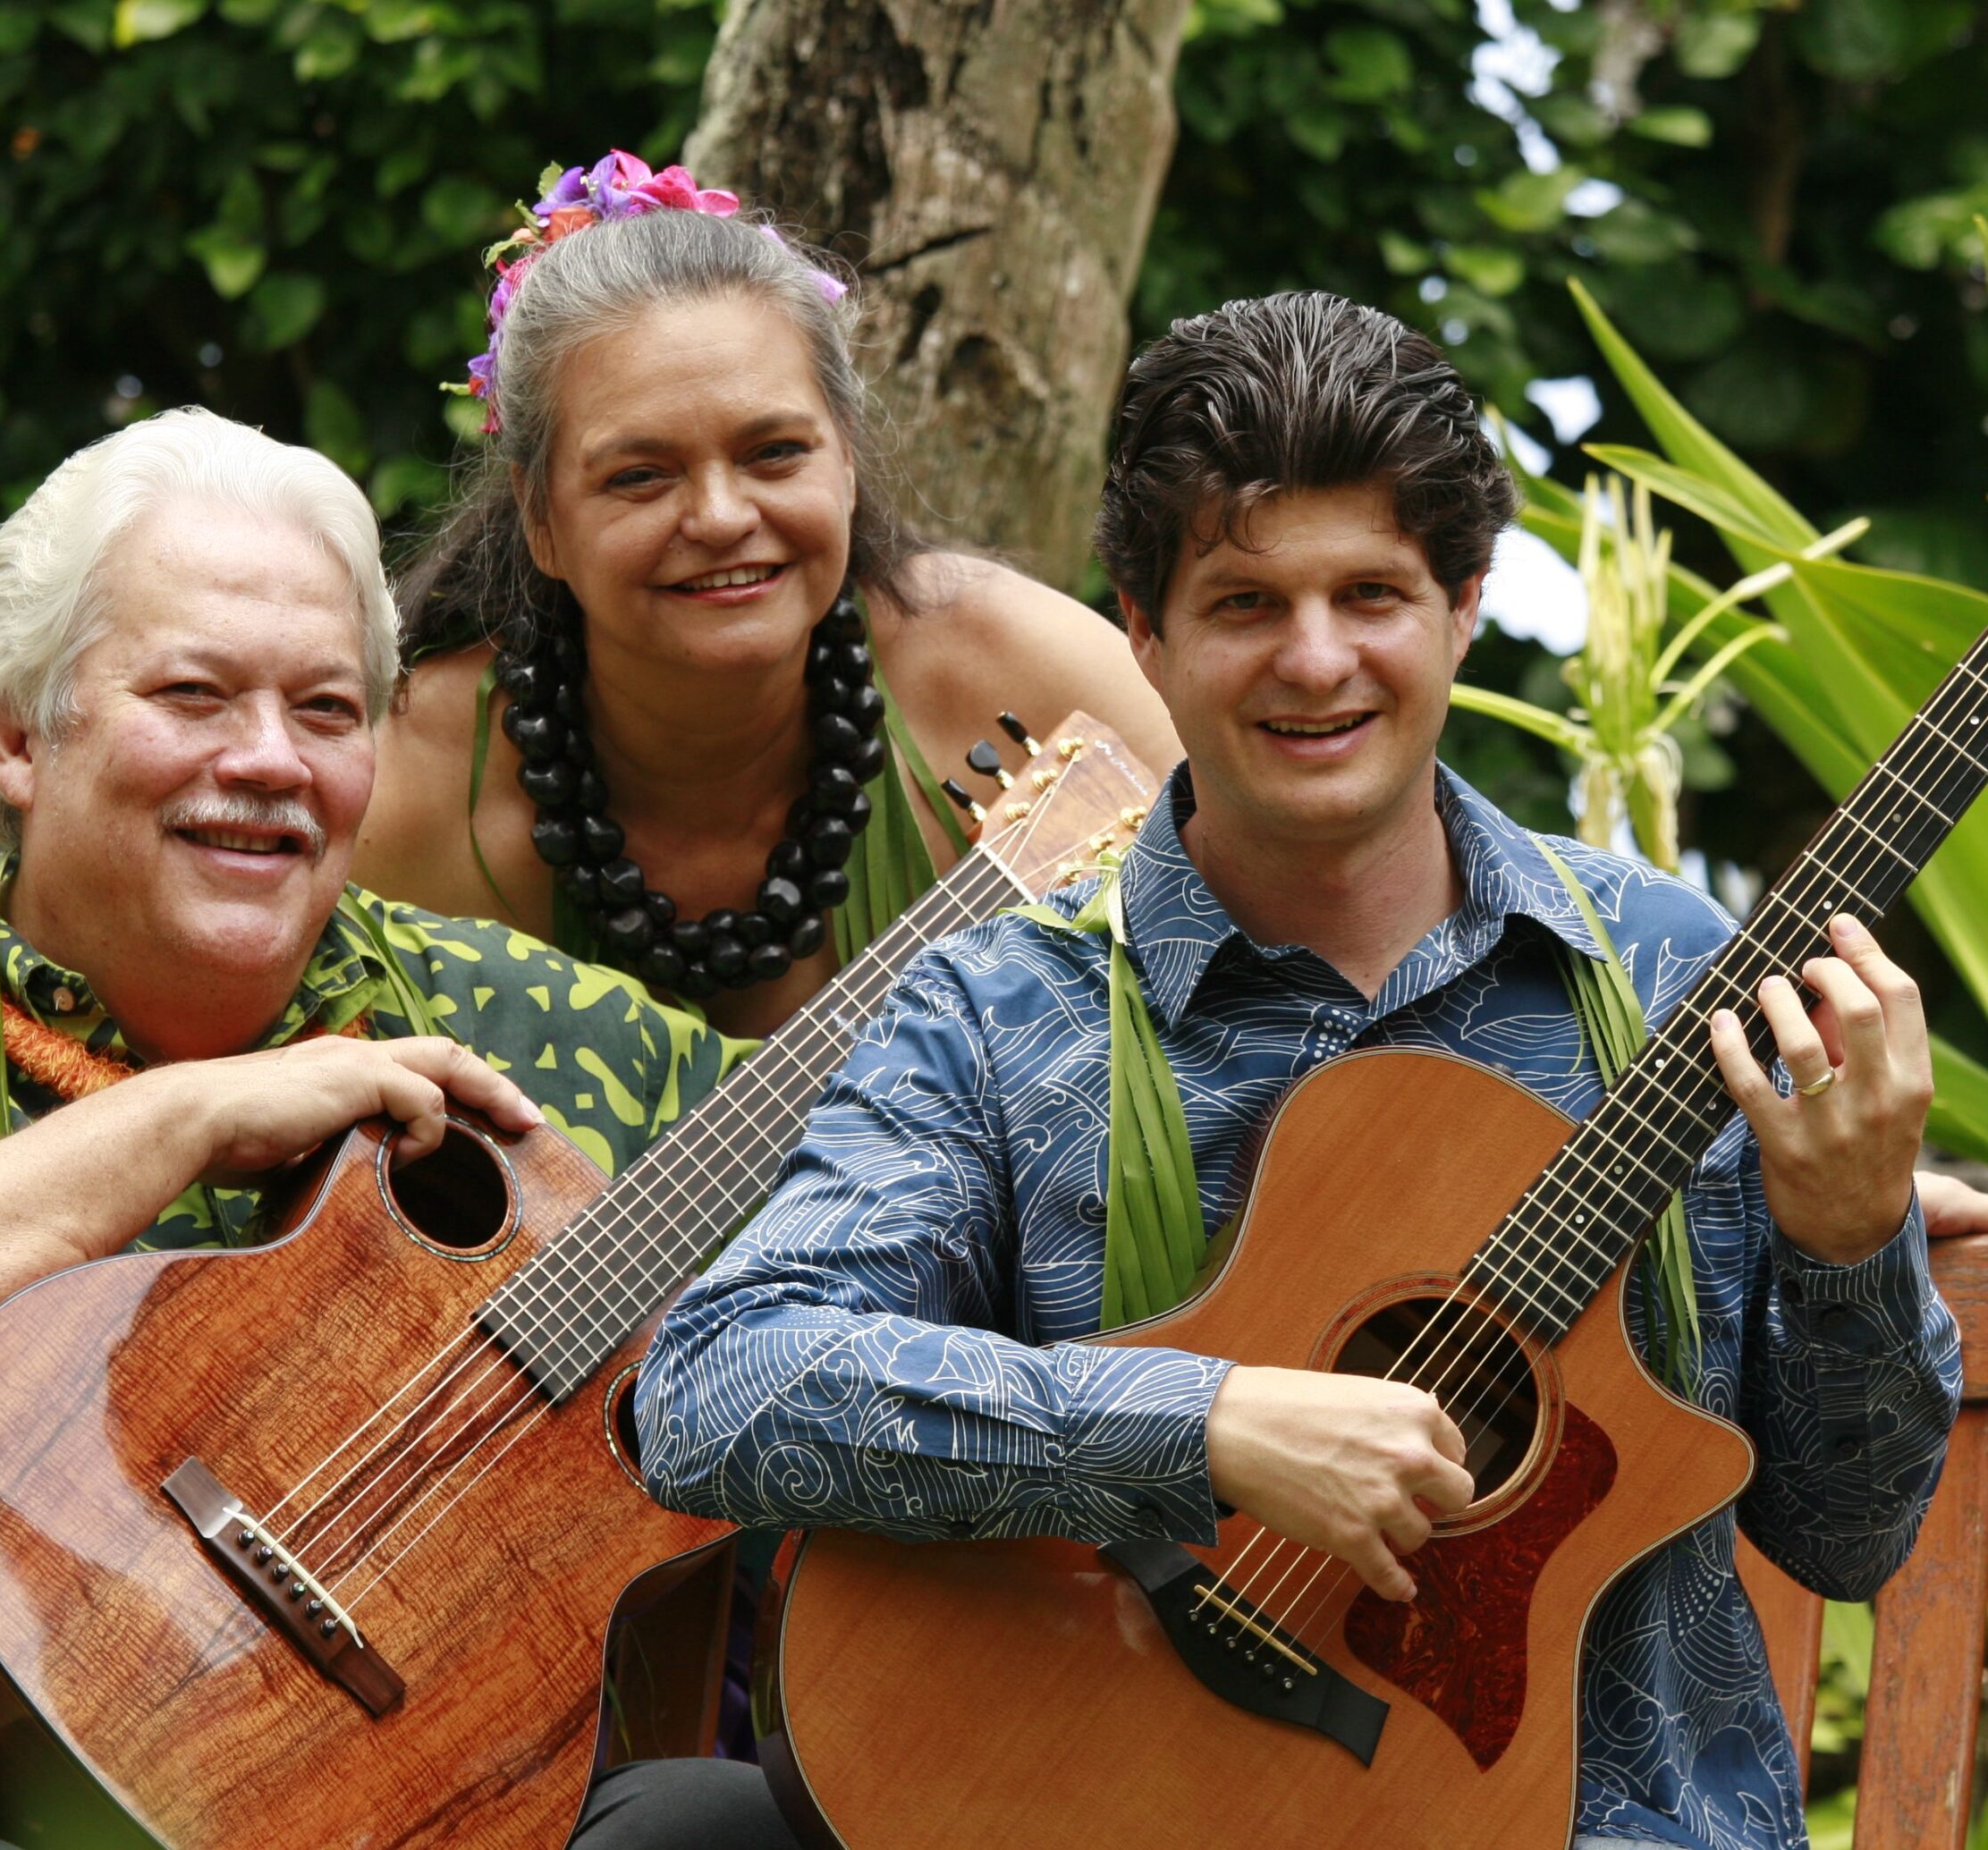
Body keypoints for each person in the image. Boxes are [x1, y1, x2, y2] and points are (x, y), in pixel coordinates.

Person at [635, 293, 1964, 1850]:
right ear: (1143, 629)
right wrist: (1205, 1425)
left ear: (1465, 604)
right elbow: (718, 1384)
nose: (1316, 660)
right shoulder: (1006, 1010)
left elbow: (1851, 1534)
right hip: (1125, 1801)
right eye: (1248, 600)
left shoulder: (1673, 977)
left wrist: (1851, 1235)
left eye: (1372, 594)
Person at [0, 409, 797, 1850]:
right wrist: (193, 1114)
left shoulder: (514, 1024)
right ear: (19, 735)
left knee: (722, 1822)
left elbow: (855, 1143)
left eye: (327, 711)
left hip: (392, 1805)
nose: (271, 759)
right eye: (197, 694)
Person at [0, 151, 1178, 1051]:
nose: (722, 516)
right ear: (536, 515)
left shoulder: (1020, 674)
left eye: (775, 452)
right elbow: (90, 946)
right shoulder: (395, 772)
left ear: (848, 463)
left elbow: (1307, 925)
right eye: (640, 474)